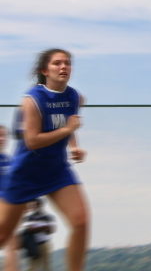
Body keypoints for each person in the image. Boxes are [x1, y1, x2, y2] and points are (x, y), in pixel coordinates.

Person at [0, 48, 88, 271]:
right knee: (3, 235)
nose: (63, 67)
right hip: (25, 174)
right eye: (57, 63)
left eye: (67, 63)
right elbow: (32, 140)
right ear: (44, 70)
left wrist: (74, 146)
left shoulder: (74, 97)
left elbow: (68, 123)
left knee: (81, 221)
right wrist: (68, 129)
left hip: (56, 171)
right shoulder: (32, 100)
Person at [20, 198, 56, 271]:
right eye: (32, 205)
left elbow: (50, 230)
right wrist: (43, 226)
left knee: (46, 266)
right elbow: (28, 229)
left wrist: (35, 227)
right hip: (32, 245)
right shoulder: (28, 218)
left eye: (35, 205)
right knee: (31, 267)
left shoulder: (48, 217)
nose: (33, 207)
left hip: (44, 244)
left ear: (40, 205)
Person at [0, 125, 17, 271]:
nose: (1, 139)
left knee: (12, 243)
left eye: (3, 135)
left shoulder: (8, 159)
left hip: (7, 208)